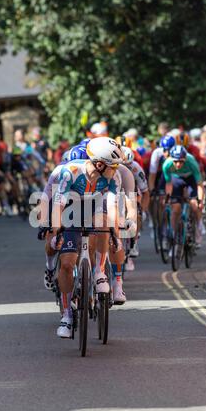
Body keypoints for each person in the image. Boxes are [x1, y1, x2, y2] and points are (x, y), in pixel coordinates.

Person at [47, 137, 125, 338]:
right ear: (99, 164)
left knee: (103, 222)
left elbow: (113, 206)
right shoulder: (70, 172)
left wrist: (116, 234)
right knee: (67, 263)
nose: (116, 170)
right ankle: (66, 315)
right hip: (70, 209)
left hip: (96, 208)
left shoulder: (112, 177)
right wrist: (56, 232)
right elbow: (58, 205)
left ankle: (99, 273)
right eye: (113, 166)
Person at [163, 145, 204, 247]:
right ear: (171, 159)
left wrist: (200, 200)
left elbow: (199, 185)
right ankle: (172, 233)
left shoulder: (192, 162)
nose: (178, 164)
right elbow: (169, 184)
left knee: (195, 205)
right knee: (175, 208)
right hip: (176, 179)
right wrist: (168, 198)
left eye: (181, 161)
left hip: (191, 179)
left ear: (185, 159)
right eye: (175, 161)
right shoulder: (167, 165)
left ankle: (198, 227)